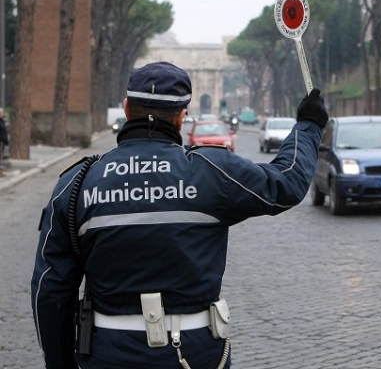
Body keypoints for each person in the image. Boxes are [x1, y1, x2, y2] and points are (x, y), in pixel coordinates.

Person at [31, 61, 328, 368]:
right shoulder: (213, 171)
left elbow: (51, 290)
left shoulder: (78, 182)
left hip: (108, 352)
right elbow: (288, 182)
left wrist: (59, 363)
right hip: (196, 352)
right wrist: (308, 126)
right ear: (182, 117)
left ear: (126, 108)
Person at [0, 107, 8, 172]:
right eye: (2, 113)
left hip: (2, 141)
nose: (3, 114)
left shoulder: (2, 121)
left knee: (1, 155)